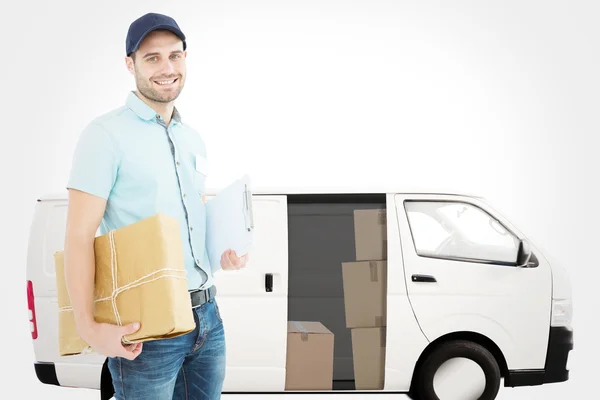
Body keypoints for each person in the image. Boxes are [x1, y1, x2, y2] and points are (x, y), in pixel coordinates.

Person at [62, 12, 248, 400]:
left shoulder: (192, 138)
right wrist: (89, 327)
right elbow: (79, 238)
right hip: (146, 324)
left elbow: (192, 221)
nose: (167, 68)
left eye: (175, 56)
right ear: (130, 64)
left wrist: (222, 253)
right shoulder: (104, 136)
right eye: (152, 58)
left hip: (207, 317)